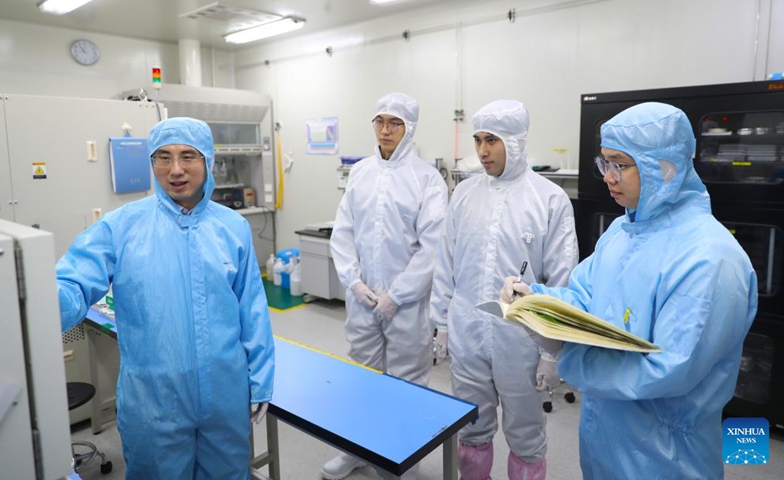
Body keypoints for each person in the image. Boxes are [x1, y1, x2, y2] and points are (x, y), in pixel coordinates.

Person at [501, 102, 758, 479]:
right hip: (604, 437)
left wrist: (568, 357)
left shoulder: (709, 258)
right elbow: (585, 296)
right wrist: (536, 301)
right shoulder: (622, 233)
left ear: (664, 168)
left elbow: (670, 368)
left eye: (620, 164)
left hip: (667, 457)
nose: (608, 176)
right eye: (604, 163)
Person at [56, 117, 275, 479]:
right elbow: (73, 281)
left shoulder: (232, 227)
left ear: (207, 160)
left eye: (188, 156)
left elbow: (251, 308)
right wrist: (33, 302)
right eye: (163, 157)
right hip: (154, 401)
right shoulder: (122, 226)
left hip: (225, 393)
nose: (176, 170)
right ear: (152, 162)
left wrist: (260, 379)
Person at [431, 99, 579, 480]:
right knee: (471, 424)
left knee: (525, 431)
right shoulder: (464, 194)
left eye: (492, 140)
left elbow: (562, 279)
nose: (482, 151)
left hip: (522, 338)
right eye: (478, 140)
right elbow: (445, 261)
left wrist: (551, 351)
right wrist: (442, 323)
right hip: (467, 329)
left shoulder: (548, 199)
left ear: (514, 141)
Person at [323, 92, 448, 480]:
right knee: (362, 375)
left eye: (395, 123)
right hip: (363, 299)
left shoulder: (427, 179)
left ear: (409, 128)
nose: (386, 130)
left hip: (407, 305)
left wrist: (399, 294)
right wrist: (354, 283)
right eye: (380, 121)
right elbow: (343, 232)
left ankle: (399, 458)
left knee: (406, 382)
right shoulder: (360, 172)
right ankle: (357, 450)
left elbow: (433, 247)